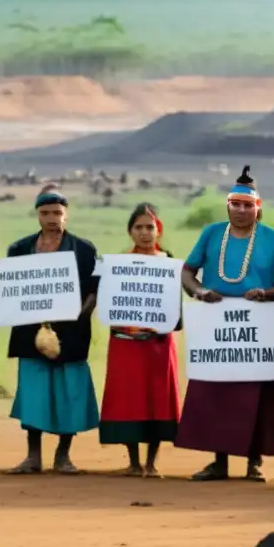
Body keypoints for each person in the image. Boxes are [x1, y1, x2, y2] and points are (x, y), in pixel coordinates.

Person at [176, 166, 274, 482]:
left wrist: (268, 293)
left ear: (257, 208)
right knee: (217, 391)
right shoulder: (211, 234)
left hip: (257, 327)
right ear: (228, 205)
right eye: (236, 204)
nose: (241, 210)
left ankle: (252, 463)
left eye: (248, 205)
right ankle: (219, 462)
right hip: (216, 326)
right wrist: (200, 292)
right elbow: (187, 271)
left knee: (255, 392)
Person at [6, 190, 100, 475]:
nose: (52, 219)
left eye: (57, 213)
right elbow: (13, 290)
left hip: (71, 332)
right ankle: (33, 456)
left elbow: (94, 292)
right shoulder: (20, 249)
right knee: (35, 395)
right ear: (37, 215)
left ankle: (63, 456)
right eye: (45, 213)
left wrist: (77, 316)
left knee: (68, 392)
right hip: (29, 332)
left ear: (66, 214)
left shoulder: (84, 249)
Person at [98, 203, 182, 478]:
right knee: (129, 397)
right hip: (125, 342)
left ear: (159, 230)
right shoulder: (117, 264)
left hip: (158, 344)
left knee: (157, 396)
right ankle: (133, 462)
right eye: (139, 227)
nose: (145, 233)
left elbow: (176, 310)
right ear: (129, 231)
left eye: (150, 227)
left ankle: (152, 463)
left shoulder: (169, 262)